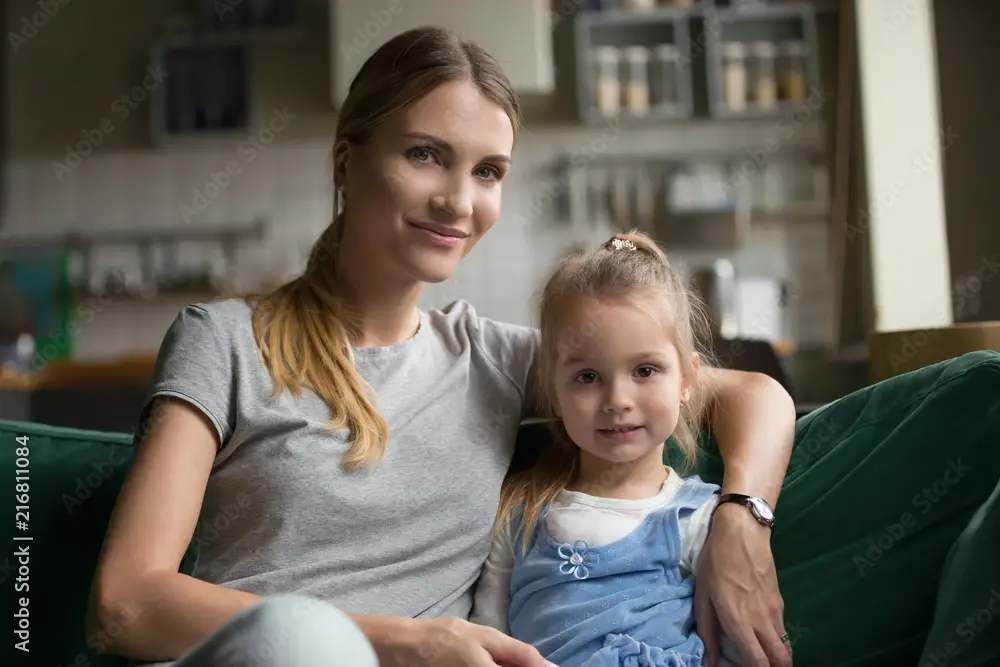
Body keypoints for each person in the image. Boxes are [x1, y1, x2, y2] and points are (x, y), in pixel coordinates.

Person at [86, 26, 797, 667]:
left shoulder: (496, 361)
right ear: (346, 162)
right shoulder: (225, 342)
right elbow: (124, 602)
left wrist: (741, 518)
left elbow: (755, 396)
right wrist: (403, 639)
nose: (459, 201)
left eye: (488, 171)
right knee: (302, 641)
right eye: (426, 155)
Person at [470, 231, 753, 667]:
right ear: (552, 390)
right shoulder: (519, 512)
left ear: (686, 382)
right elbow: (487, 639)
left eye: (645, 370)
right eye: (587, 376)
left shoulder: (699, 517)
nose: (618, 399)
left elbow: (732, 645)